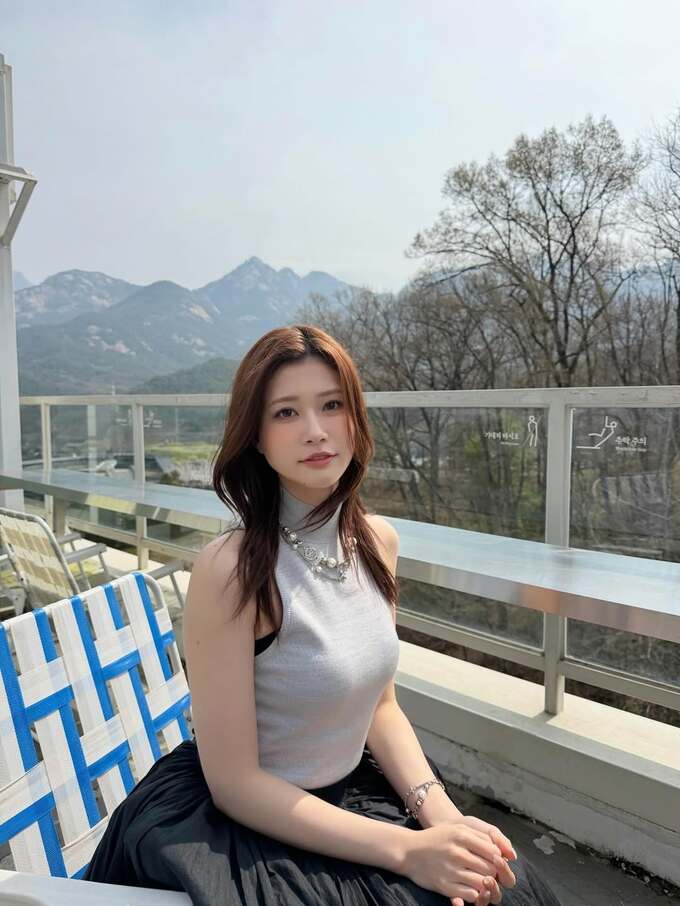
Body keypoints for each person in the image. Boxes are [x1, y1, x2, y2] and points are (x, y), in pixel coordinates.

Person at [83, 325, 562, 906]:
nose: (315, 430)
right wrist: (409, 850)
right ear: (256, 437)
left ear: (355, 418)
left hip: (350, 793)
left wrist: (442, 817)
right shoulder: (233, 569)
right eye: (286, 412)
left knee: (507, 885)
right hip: (244, 823)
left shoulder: (378, 542)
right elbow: (235, 784)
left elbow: (381, 708)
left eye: (332, 405)